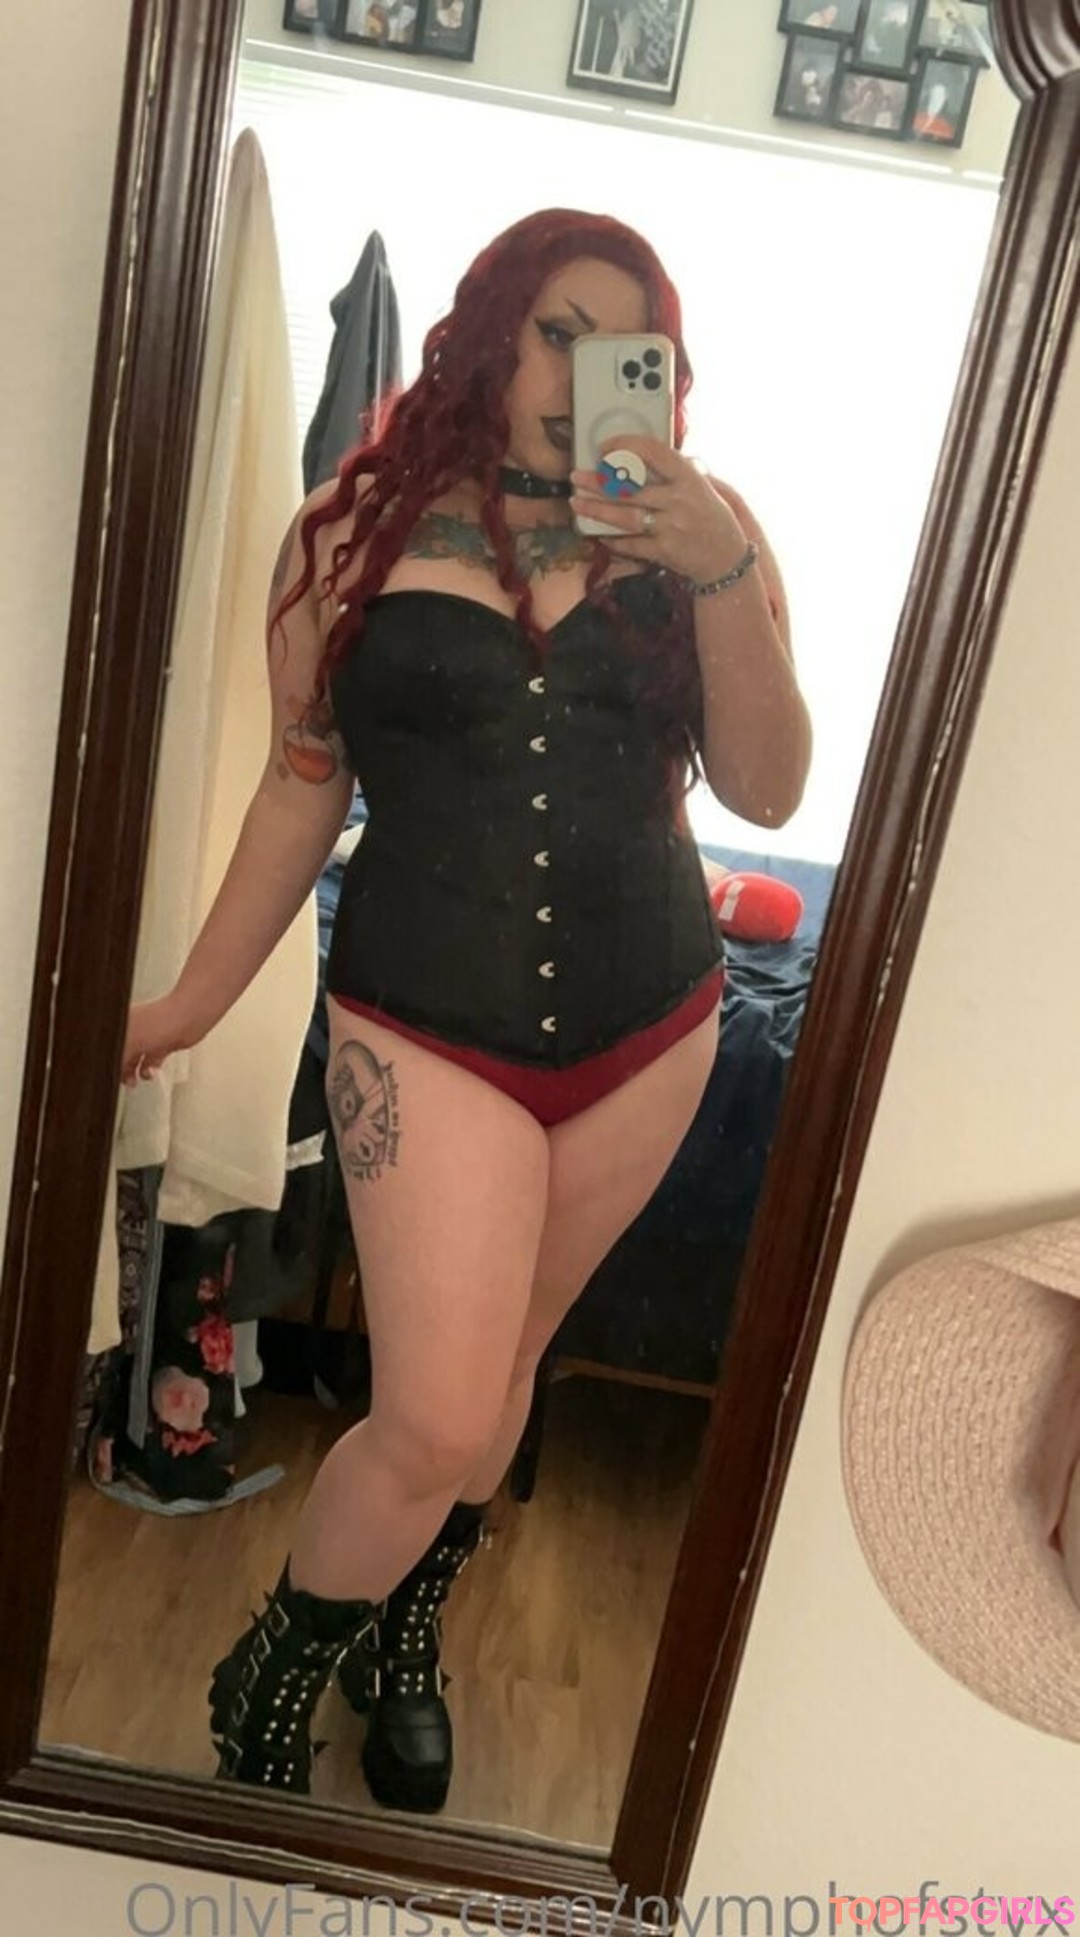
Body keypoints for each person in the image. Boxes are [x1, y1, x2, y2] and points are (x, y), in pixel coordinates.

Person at [122, 208, 811, 1811]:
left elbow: (770, 787)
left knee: (505, 1376)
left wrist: (711, 561)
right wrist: (187, 1003)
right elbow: (302, 788)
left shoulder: (712, 534)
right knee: (433, 1407)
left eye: (626, 342)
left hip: (650, 1024)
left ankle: (404, 1630)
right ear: (490, 330)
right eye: (557, 330)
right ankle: (272, 1665)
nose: (583, 370)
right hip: (424, 1017)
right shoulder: (348, 529)